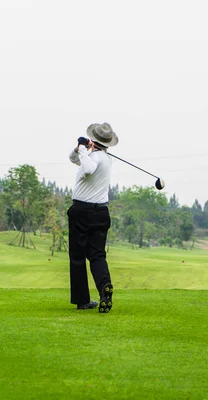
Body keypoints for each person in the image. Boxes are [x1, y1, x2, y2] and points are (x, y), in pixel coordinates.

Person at [67, 122, 119, 313]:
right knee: (97, 255)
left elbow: (88, 168)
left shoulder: (94, 158)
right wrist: (79, 149)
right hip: (101, 213)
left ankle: (82, 300)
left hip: (82, 212)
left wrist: (83, 148)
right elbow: (73, 159)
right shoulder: (102, 157)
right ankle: (104, 288)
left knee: (78, 257)